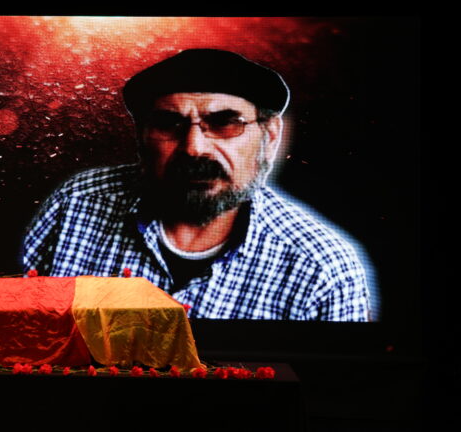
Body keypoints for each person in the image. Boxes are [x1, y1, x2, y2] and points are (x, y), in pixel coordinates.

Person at [21, 48, 371, 321]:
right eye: (169, 124)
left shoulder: (322, 267)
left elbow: (330, 385)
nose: (193, 148)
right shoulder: (75, 205)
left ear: (269, 137)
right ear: (142, 138)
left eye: (225, 123)